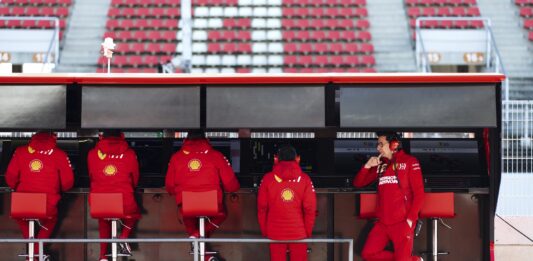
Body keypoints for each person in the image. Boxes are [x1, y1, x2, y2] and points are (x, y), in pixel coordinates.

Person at [165, 129, 240, 258]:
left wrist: (174, 192)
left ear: (186, 140)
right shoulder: (216, 155)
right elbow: (231, 184)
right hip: (212, 204)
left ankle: (196, 239)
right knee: (221, 214)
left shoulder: (176, 157)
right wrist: (233, 189)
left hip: (187, 205)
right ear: (206, 139)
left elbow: (169, 186)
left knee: (187, 215)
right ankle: (199, 241)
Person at [353, 132, 425, 261]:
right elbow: (358, 183)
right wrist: (367, 166)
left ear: (393, 144)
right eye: (377, 144)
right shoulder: (381, 164)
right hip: (382, 222)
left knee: (401, 259)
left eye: (381, 144)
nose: (378, 148)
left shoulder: (410, 161)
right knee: (368, 254)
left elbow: (419, 193)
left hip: (402, 222)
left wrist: (410, 220)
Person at [5, 131, 74, 260]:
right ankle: (36, 253)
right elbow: (68, 182)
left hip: (22, 202)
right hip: (48, 201)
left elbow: (11, 177)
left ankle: (31, 253)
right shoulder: (59, 154)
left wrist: (15, 187)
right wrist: (60, 189)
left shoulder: (20, 151)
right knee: (50, 220)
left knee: (22, 219)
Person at [87, 130, 141, 261]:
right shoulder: (129, 154)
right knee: (133, 215)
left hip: (99, 200)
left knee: (103, 221)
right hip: (124, 199)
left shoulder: (93, 153)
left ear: (101, 137)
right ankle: (123, 236)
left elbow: (91, 175)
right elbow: (135, 177)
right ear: (121, 137)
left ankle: (103, 256)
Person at [257, 145, 317, 261]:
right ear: (297, 159)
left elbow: (262, 208)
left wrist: (265, 231)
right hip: (298, 233)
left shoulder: (268, 178)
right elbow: (310, 209)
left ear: (277, 159)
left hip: (275, 233)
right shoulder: (305, 179)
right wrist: (307, 232)